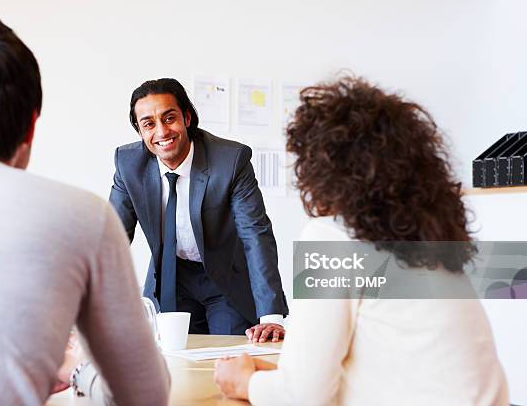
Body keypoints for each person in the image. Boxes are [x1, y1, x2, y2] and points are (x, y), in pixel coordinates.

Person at [214, 75, 509, 405]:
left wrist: (243, 382)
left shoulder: (332, 237)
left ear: (323, 169)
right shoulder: (428, 241)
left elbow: (303, 397)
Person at [0, 16, 169, 405]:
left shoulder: (229, 161)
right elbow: (144, 396)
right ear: (30, 127)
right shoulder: (82, 214)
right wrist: (76, 364)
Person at [109, 78, 288, 340]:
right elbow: (112, 239)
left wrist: (271, 317)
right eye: (148, 124)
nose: (161, 132)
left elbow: (255, 234)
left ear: (187, 118)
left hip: (224, 277)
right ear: (139, 131)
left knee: (225, 358)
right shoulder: (128, 164)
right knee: (171, 360)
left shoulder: (231, 160)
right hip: (171, 277)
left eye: (169, 118)